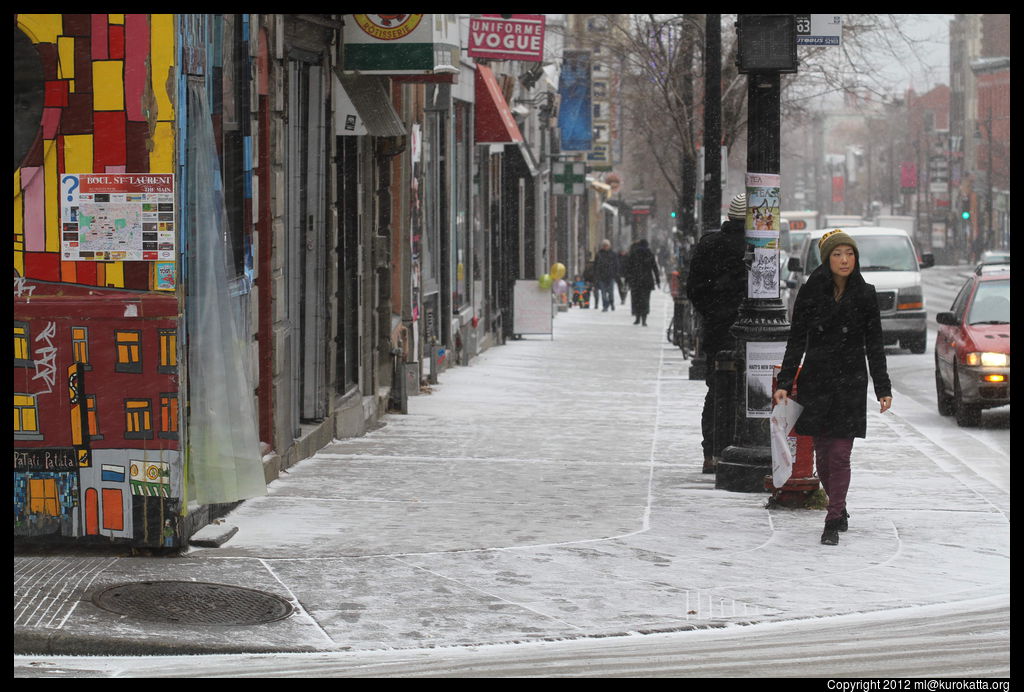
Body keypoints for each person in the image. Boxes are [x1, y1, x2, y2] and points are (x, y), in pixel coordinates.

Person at [772, 229, 893, 546]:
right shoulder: (811, 292)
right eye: (838, 254)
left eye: (850, 254)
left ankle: (832, 516)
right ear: (827, 258)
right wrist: (785, 382)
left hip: (851, 382)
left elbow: (875, 345)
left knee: (840, 454)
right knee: (824, 455)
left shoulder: (866, 294)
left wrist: (882, 387)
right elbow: (796, 340)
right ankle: (839, 505)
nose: (844, 260)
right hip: (818, 381)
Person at [686, 193, 750, 474]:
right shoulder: (757, 246)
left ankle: (712, 452)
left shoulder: (709, 245)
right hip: (749, 332)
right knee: (747, 394)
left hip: (717, 330)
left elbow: (694, 289)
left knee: (716, 392)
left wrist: (713, 312)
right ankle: (739, 444)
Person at [625, 238, 660, 325]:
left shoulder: (634, 253)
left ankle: (637, 318)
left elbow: (628, 267)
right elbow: (655, 268)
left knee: (636, 299)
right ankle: (644, 319)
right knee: (645, 300)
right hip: (646, 281)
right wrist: (658, 280)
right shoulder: (650, 254)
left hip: (635, 280)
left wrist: (627, 280)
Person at [594, 240, 619, 311]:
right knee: (603, 293)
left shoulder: (613, 254)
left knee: (610, 292)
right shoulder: (599, 254)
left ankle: (611, 302)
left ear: (609, 246)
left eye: (606, 245)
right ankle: (605, 306)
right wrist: (596, 275)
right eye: (604, 245)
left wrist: (615, 273)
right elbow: (595, 266)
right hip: (601, 277)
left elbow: (616, 265)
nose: (605, 247)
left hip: (610, 276)